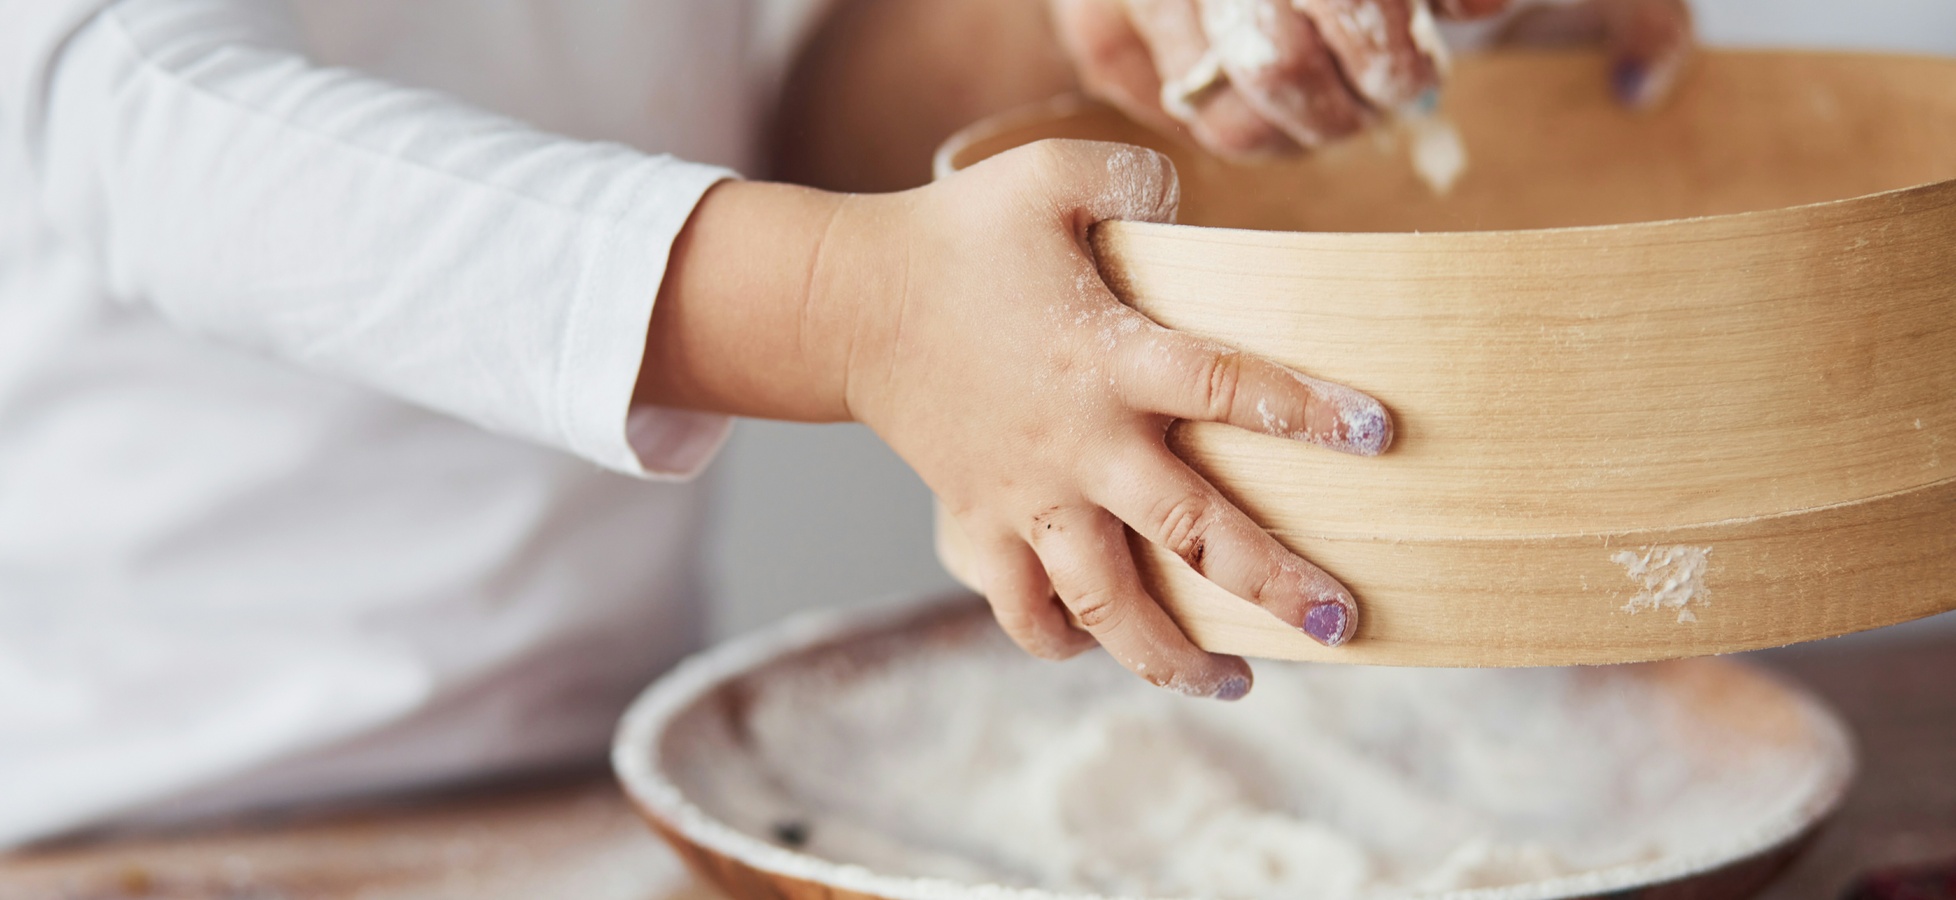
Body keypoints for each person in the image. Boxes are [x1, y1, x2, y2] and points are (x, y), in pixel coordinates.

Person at [0, 0, 1931, 850]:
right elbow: (129, 120)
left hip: (599, 755)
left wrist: (1097, 28)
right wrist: (857, 309)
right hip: (120, 815)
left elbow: (766, 101)